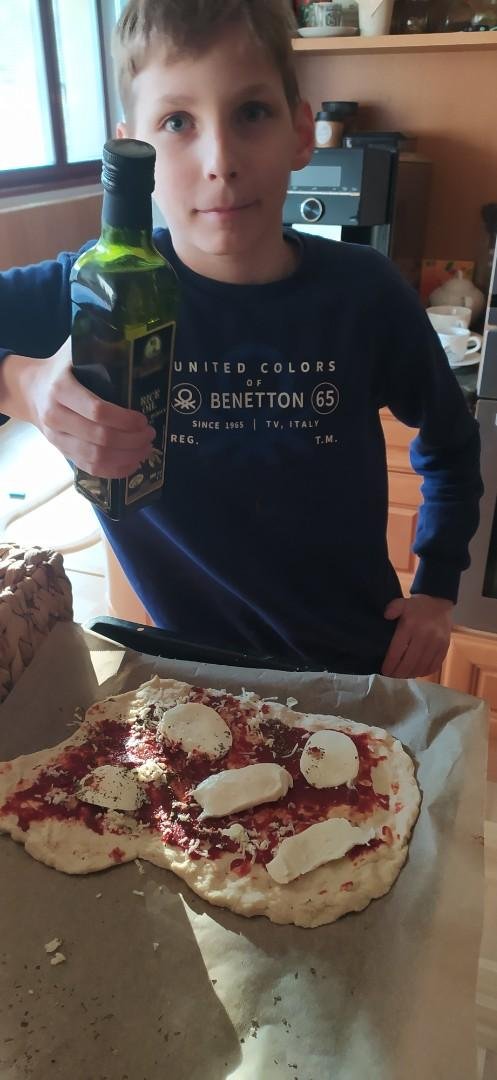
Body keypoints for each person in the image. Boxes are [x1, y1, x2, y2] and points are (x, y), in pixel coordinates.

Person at [0, 0, 483, 678]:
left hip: (356, 670)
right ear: (131, 154)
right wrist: (21, 385)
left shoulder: (366, 294)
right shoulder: (96, 289)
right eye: (177, 122)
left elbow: (452, 444)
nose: (220, 160)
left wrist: (436, 586)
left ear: (301, 133)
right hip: (191, 677)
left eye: (250, 112)